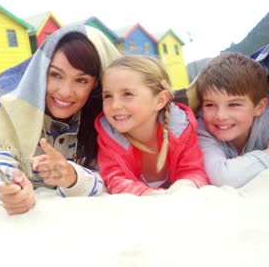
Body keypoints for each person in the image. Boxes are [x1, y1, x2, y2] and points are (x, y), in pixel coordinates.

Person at [0, 24, 122, 215]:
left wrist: (72, 176)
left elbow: (111, 178)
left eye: (82, 80)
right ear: (40, 72)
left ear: (96, 84)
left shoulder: (104, 119)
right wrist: (10, 193)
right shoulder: (11, 109)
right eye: (55, 75)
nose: (65, 92)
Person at [95, 55, 208, 195]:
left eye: (128, 94)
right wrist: (147, 194)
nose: (115, 105)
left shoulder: (181, 129)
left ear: (160, 100)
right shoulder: (109, 137)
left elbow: (194, 171)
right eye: (108, 96)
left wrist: (185, 187)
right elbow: (114, 179)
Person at [195, 52, 269, 188]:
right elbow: (222, 178)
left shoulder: (266, 122)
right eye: (210, 105)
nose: (220, 116)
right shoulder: (203, 129)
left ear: (259, 107)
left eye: (234, 104)